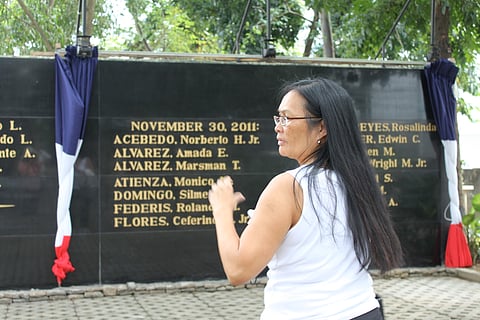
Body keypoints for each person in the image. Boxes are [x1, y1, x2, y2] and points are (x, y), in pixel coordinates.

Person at [208, 77, 404, 319]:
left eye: (287, 118)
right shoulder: (358, 182)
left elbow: (238, 270)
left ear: (322, 127)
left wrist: (221, 210)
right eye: (278, 118)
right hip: (363, 311)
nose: (278, 126)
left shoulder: (288, 187)